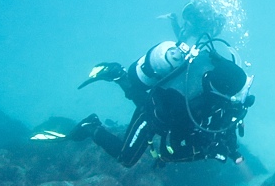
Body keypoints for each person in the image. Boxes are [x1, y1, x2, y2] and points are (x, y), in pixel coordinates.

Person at [65, 37, 254, 168]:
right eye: (235, 95)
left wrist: (231, 144)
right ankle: (92, 126)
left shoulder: (215, 64)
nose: (238, 98)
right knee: (126, 158)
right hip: (156, 113)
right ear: (221, 92)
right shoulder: (185, 103)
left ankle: (119, 75)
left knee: (142, 99)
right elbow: (169, 149)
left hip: (168, 102)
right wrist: (207, 151)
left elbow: (226, 114)